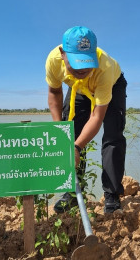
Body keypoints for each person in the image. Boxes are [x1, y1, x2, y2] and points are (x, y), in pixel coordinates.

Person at [45, 26, 127, 214]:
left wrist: (76, 147)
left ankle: (112, 195)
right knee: (71, 133)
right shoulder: (53, 61)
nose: (82, 69)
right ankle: (72, 193)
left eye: (87, 62)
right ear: (62, 53)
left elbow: (97, 116)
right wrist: (61, 131)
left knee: (112, 137)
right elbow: (54, 92)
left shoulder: (103, 68)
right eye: (76, 62)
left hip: (112, 87)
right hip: (79, 90)